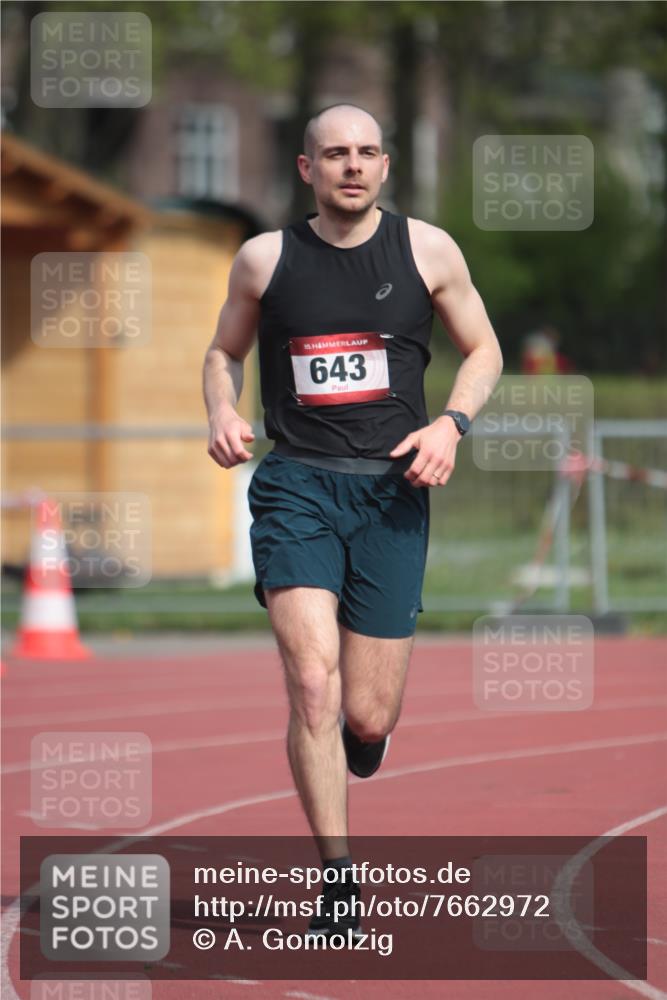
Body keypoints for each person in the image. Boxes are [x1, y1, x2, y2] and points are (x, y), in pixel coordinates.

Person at [203, 103, 503, 939]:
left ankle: (357, 747)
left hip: (390, 494)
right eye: (335, 153)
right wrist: (222, 410)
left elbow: (484, 349)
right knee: (311, 685)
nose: (352, 166)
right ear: (307, 169)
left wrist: (450, 425)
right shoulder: (266, 258)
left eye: (367, 152)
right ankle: (338, 881)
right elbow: (222, 352)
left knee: (366, 717)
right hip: (296, 484)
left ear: (385, 163)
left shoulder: (428, 249)